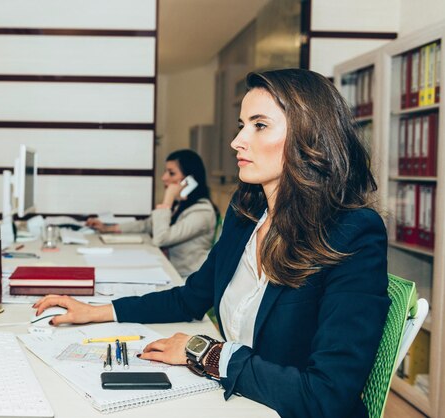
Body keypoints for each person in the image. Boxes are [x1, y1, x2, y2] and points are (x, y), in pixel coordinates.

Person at [34, 68, 390, 418]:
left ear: (309, 136)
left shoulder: (353, 232)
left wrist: (206, 352)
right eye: (242, 125)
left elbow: (327, 396)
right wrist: (97, 311)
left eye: (259, 125)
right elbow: (191, 297)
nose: (238, 141)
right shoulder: (246, 213)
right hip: (238, 400)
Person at [86, 149, 217, 278]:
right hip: (170, 270)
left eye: (171, 173)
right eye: (165, 172)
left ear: (189, 181)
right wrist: (108, 228)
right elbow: (147, 225)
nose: (164, 178)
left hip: (188, 278)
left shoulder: (202, 212)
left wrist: (168, 200)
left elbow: (161, 239)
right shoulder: (181, 204)